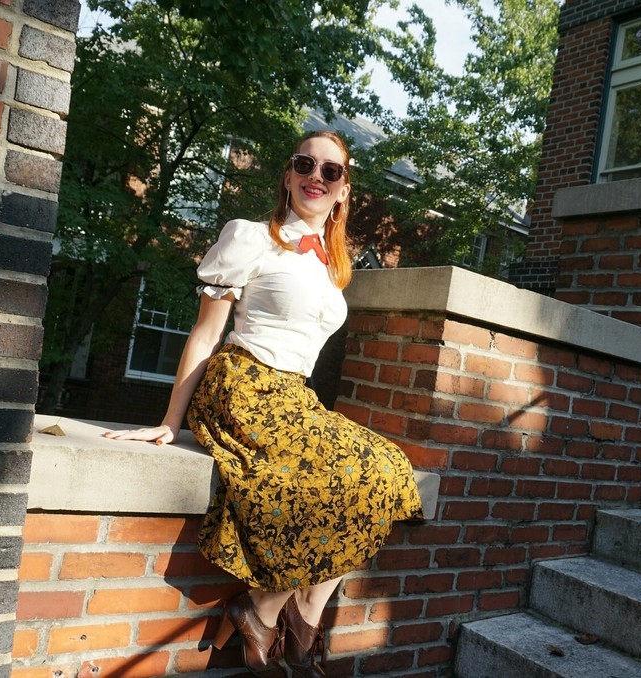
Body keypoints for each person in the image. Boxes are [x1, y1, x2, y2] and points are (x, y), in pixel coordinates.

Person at [105, 131, 423, 677]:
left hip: (294, 395)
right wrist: (170, 421)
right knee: (343, 472)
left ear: (344, 189)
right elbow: (206, 333)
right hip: (242, 384)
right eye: (305, 164)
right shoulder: (249, 237)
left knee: (390, 470)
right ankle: (268, 610)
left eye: (331, 171)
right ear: (287, 175)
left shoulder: (333, 264)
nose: (316, 177)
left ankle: (300, 616)